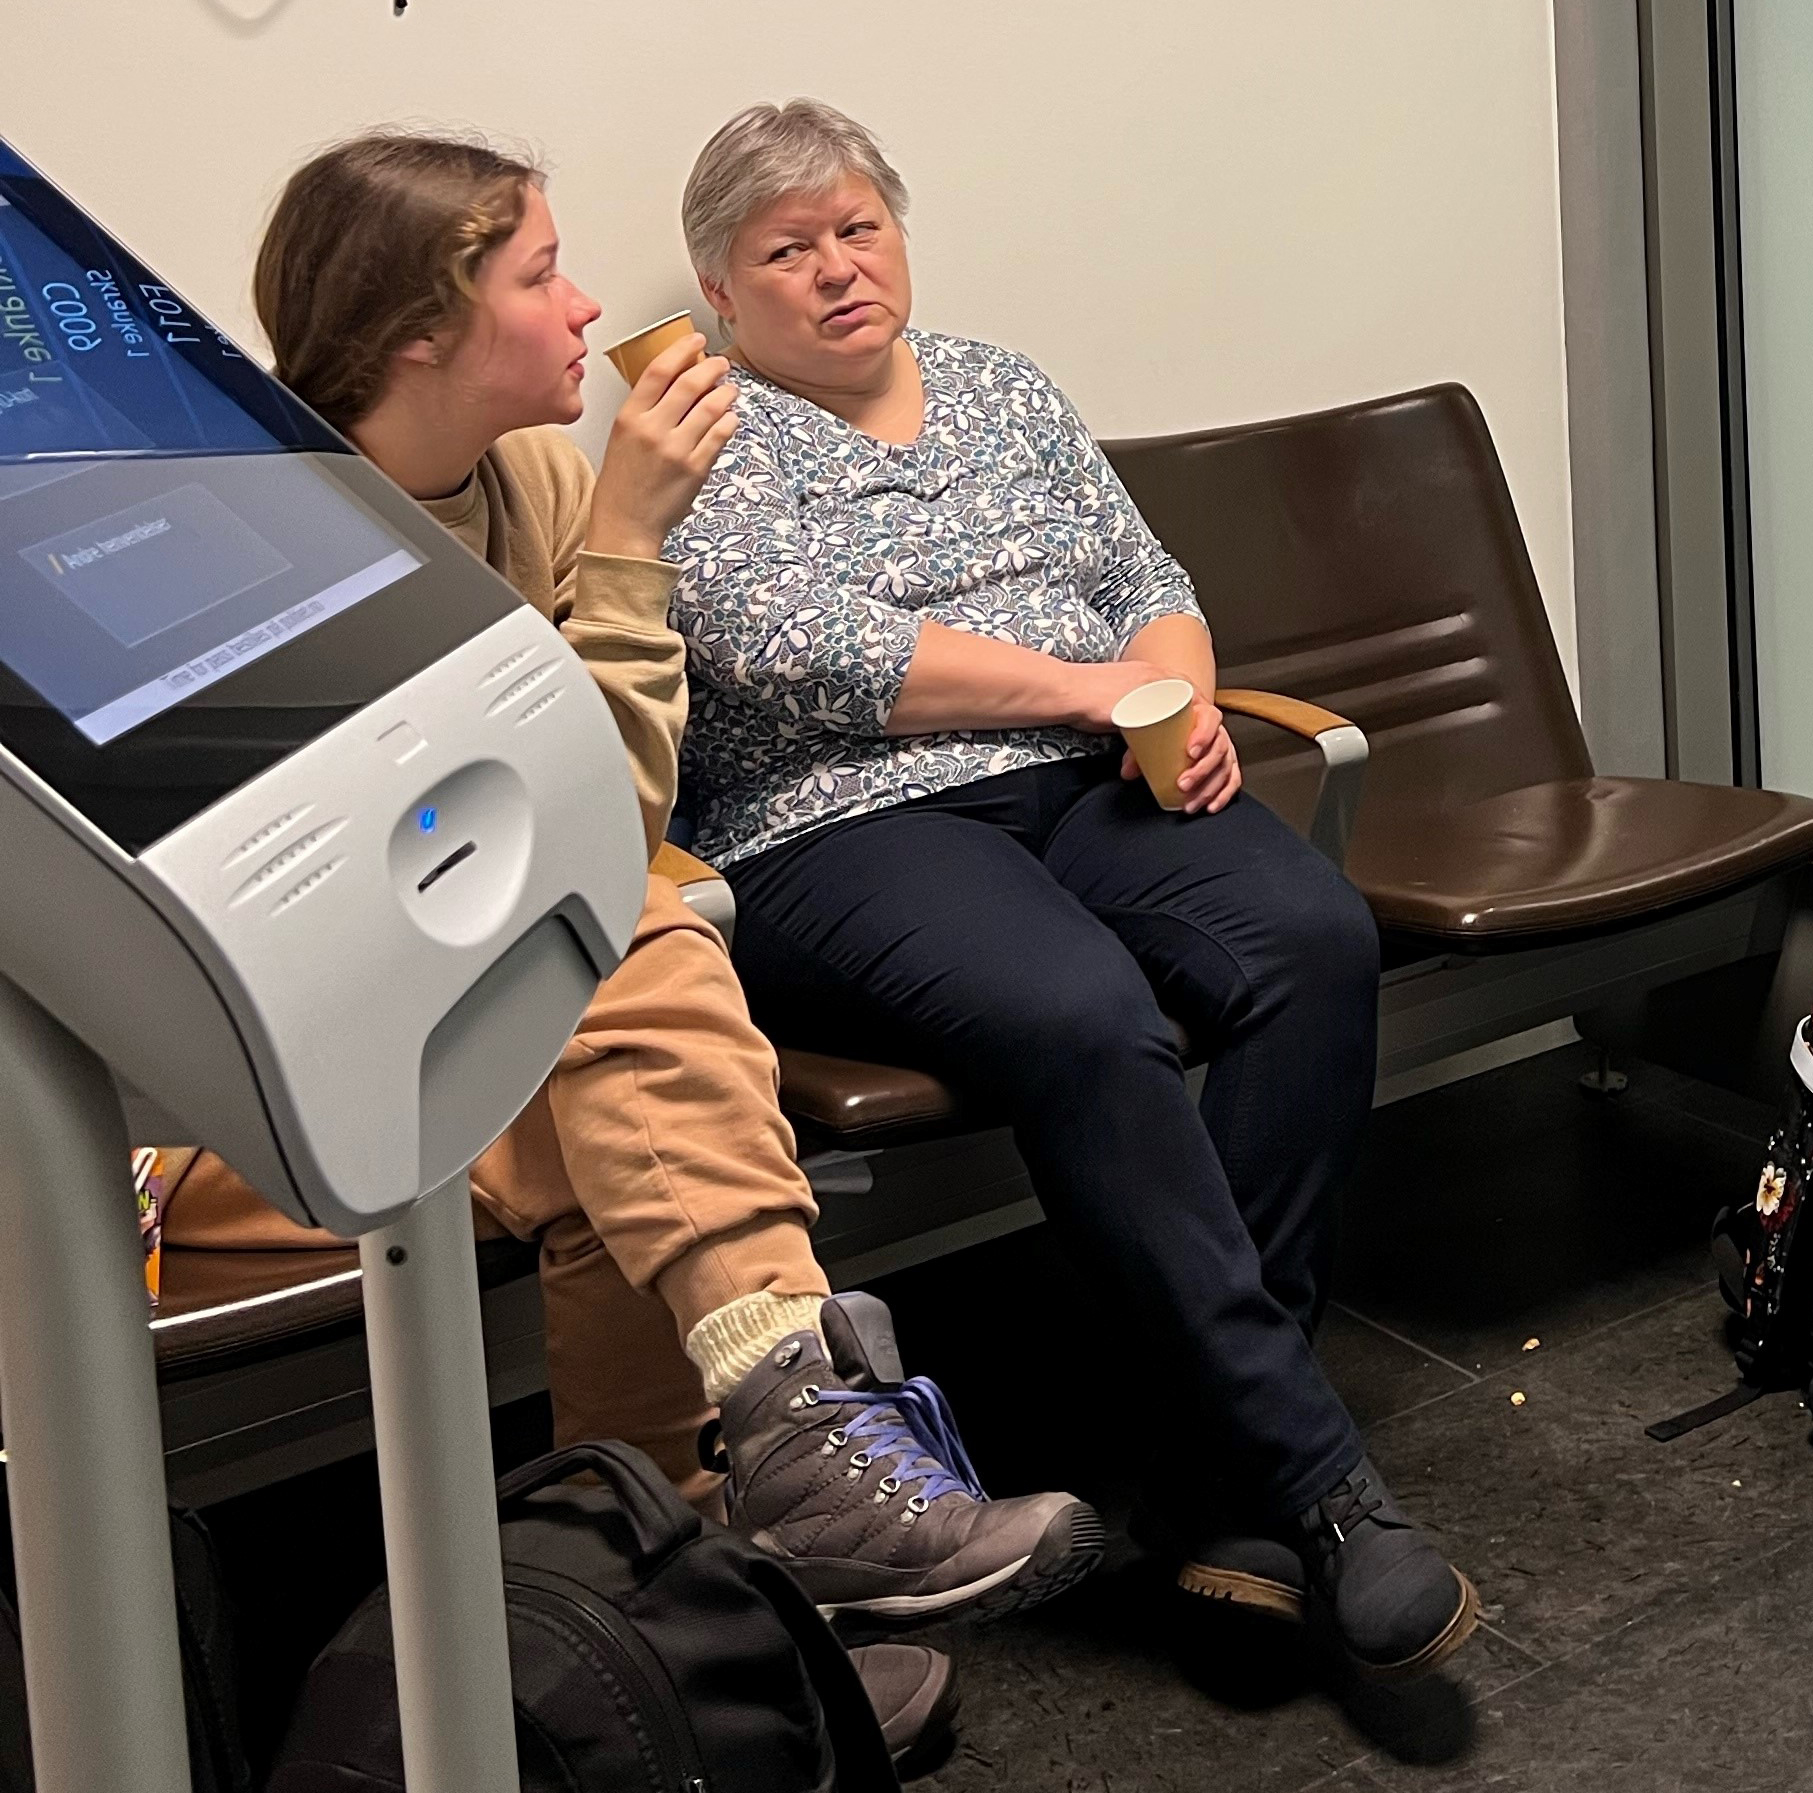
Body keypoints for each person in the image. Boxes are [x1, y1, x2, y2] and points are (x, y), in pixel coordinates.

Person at [243, 135, 1102, 1709]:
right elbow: (521, 859)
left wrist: (612, 538)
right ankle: (790, 1441)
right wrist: (635, 550)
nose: (586, 306)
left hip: (481, 1032)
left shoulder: (538, 478)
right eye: (538, 275)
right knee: (631, 937)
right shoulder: (282, 539)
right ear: (422, 335)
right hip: (266, 1071)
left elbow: (587, 819)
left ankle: (693, 1624)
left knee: (606, 1114)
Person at [661, 100, 1481, 1687]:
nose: (837, 269)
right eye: (787, 250)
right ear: (721, 288)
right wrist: (1088, 693)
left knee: (1312, 930)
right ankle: (1315, 1479)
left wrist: (1173, 705)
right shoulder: (703, 436)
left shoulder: (997, 382)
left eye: (859, 228)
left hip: (1093, 770)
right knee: (1084, 1013)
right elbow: (813, 657)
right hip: (843, 826)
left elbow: (1147, 584)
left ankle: (1207, 1466)